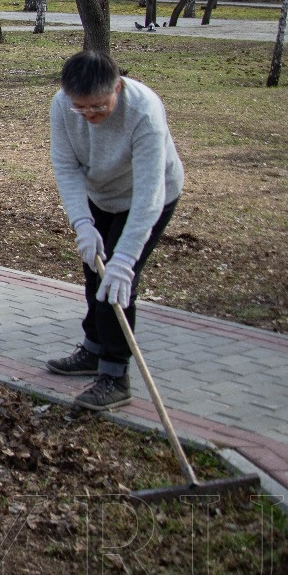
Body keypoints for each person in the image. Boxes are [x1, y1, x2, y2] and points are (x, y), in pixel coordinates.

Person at [46, 50, 183, 411]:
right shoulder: (62, 105)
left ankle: (115, 376)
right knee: (94, 272)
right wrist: (82, 223)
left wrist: (125, 259)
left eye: (98, 107)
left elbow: (151, 193)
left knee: (117, 284)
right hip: (100, 193)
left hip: (147, 197)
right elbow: (65, 166)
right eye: (81, 108)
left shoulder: (144, 112)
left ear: (117, 88)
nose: (90, 115)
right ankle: (93, 350)